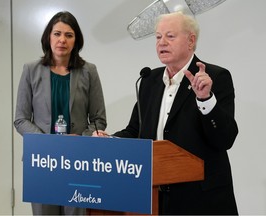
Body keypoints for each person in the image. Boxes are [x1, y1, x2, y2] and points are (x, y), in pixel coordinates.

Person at [95, 12, 238, 215]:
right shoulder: (149, 80)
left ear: (191, 41)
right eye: (158, 37)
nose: (162, 43)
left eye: (170, 36)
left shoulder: (215, 77)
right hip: (155, 197)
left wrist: (205, 99)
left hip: (201, 199)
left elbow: (225, 139)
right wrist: (109, 140)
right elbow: (136, 130)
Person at [14, 11, 107, 215]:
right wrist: (48, 142)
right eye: (57, 34)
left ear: (76, 40)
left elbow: (99, 119)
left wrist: (81, 138)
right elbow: (20, 119)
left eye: (69, 35)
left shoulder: (89, 71)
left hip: (78, 160)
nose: (62, 40)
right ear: (48, 37)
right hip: (41, 159)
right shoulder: (31, 69)